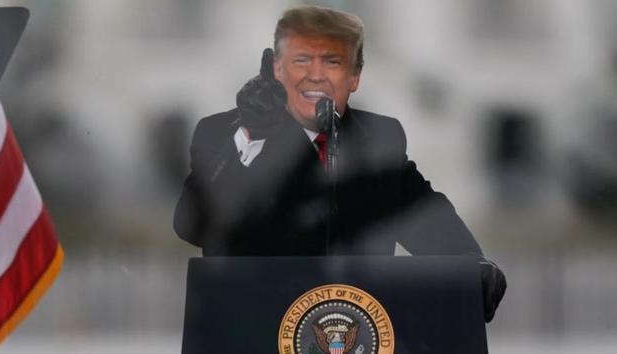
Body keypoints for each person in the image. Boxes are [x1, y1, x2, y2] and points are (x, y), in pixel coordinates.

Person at [174, 5, 506, 322]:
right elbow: (192, 224)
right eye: (301, 60)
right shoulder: (223, 132)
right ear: (276, 69)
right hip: (252, 330)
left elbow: (424, 217)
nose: (315, 76)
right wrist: (251, 135)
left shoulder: (380, 139)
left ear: (354, 77)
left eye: (332, 62)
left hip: (355, 333)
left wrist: (469, 265)